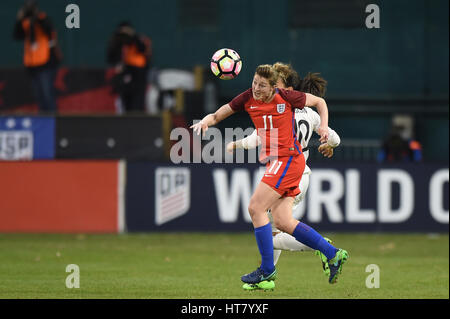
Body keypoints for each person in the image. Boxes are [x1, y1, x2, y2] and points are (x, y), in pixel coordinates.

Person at [191, 65, 348, 290]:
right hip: (283, 163)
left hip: (289, 160)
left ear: (273, 87)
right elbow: (219, 114)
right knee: (282, 221)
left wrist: (323, 126)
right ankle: (332, 253)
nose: (256, 88)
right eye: (254, 82)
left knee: (255, 208)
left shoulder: (286, 96)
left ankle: (266, 270)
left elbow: (319, 103)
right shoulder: (247, 97)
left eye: (262, 85)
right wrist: (207, 121)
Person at [13, 0, 61, 113]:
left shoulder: (43, 19)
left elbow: (49, 29)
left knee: (47, 94)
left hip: (45, 62)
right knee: (39, 96)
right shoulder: (25, 22)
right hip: (32, 64)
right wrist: (19, 18)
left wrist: (36, 17)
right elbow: (17, 35)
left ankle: (52, 121)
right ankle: (44, 122)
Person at [107, 21, 152, 113]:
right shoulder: (117, 41)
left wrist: (132, 36)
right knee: (125, 101)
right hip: (125, 73)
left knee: (137, 102)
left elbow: (143, 49)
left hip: (138, 73)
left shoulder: (138, 39)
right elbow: (111, 57)